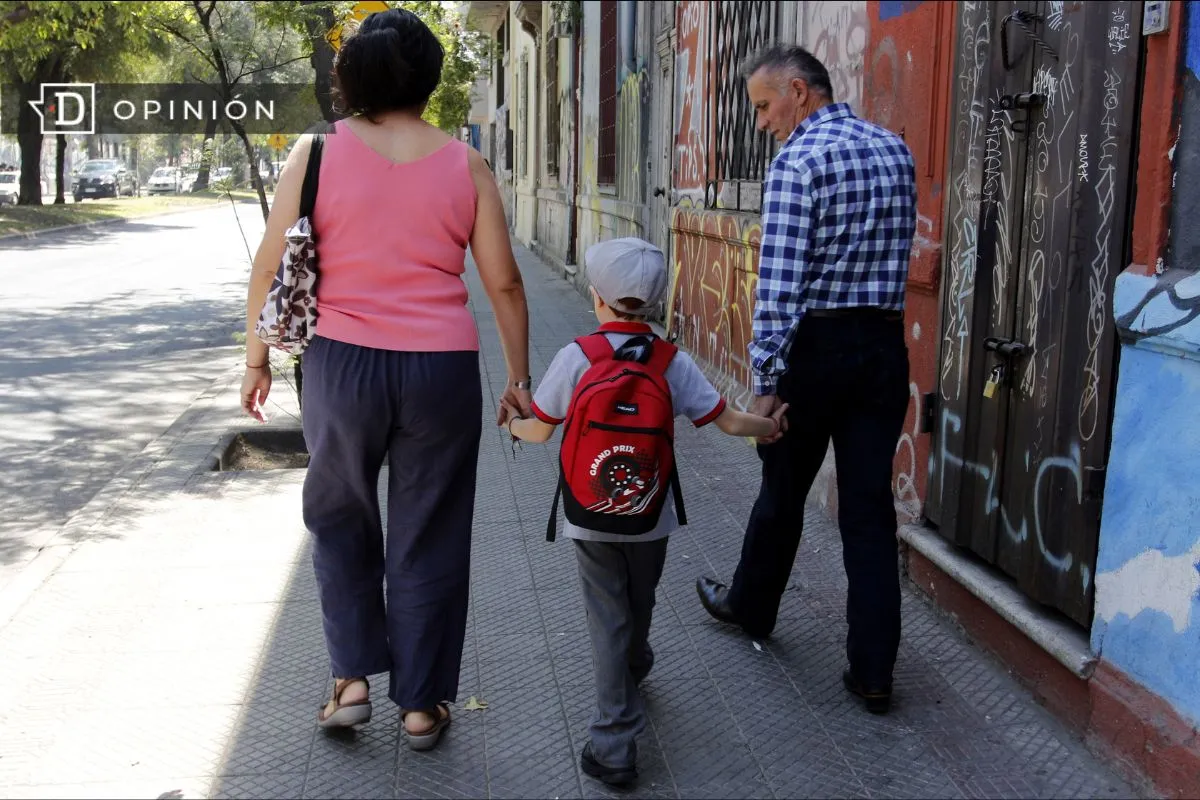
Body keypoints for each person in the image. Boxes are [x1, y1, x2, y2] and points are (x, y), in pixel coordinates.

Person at [240, 8, 532, 749]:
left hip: (341, 365)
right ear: (431, 78)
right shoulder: (465, 164)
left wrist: (257, 360)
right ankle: (422, 706)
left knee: (340, 519)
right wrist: (519, 377)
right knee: (429, 531)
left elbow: (271, 264)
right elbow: (502, 285)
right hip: (440, 371)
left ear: (351, 77)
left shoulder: (314, 153)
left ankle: (350, 683)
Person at [505, 238, 788, 786]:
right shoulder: (671, 361)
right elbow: (727, 420)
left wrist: (510, 425)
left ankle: (613, 744)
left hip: (588, 515)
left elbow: (539, 429)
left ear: (598, 299)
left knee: (607, 613)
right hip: (651, 514)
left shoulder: (577, 356)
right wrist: (771, 427)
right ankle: (634, 664)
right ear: (655, 305)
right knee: (639, 598)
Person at [695, 45, 917, 715]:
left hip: (815, 348)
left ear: (800, 91)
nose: (762, 123)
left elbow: (780, 287)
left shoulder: (799, 161)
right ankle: (873, 671)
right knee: (869, 511)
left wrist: (765, 382)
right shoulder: (894, 152)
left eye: (764, 107)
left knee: (783, 486)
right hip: (882, 344)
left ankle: (751, 607)